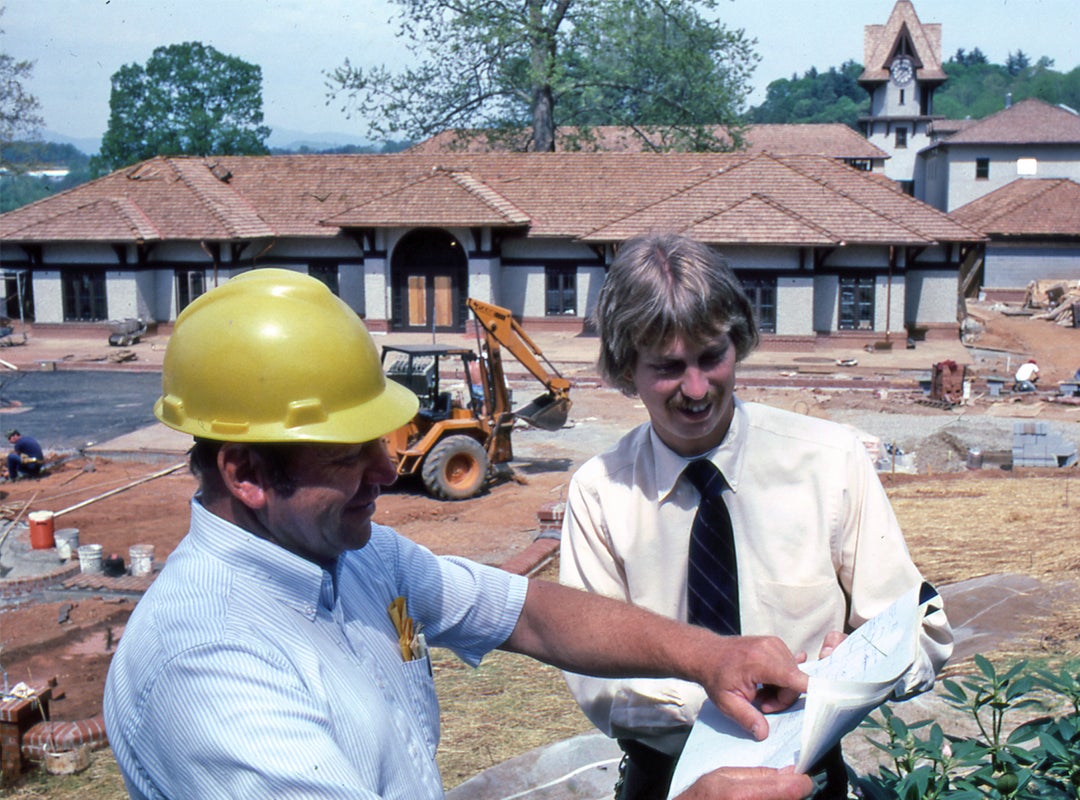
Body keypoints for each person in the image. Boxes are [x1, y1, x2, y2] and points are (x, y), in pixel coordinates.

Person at [103, 268, 815, 800]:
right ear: (246, 473)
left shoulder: (357, 559)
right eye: (349, 455)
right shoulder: (209, 668)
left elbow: (525, 612)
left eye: (381, 439)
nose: (386, 470)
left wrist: (708, 655)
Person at [559, 234, 954, 800]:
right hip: (666, 782)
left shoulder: (829, 460)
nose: (697, 389)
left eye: (711, 357)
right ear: (626, 367)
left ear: (738, 341)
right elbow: (597, 678)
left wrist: (857, 669)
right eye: (668, 367)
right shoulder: (600, 493)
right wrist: (729, 696)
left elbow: (922, 629)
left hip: (807, 778)